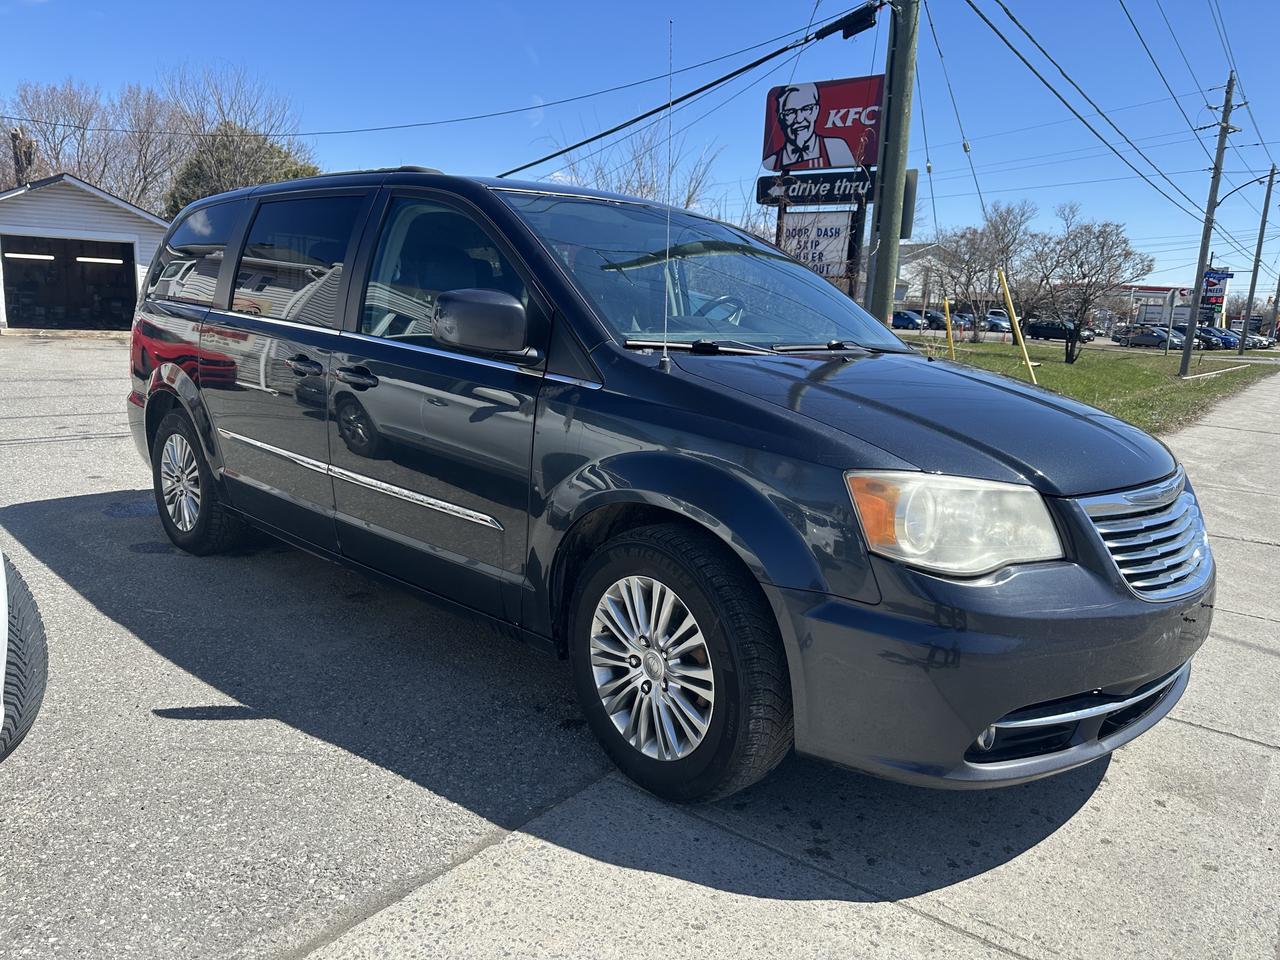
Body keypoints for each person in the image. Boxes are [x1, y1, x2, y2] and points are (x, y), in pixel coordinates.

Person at [764, 83, 856, 171]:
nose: (799, 119)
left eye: (806, 109)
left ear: (816, 110)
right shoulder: (771, 162)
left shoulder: (835, 147)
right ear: (781, 118)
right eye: (790, 112)